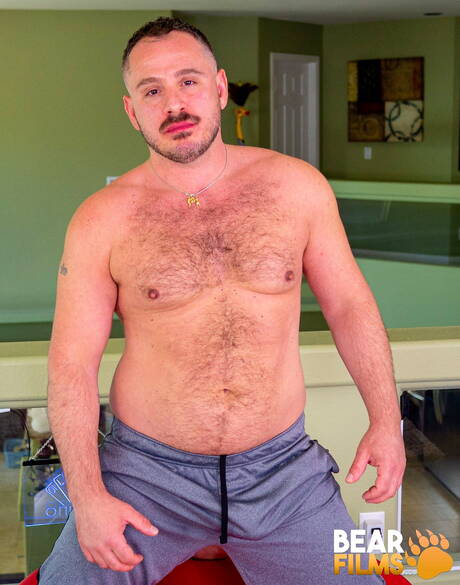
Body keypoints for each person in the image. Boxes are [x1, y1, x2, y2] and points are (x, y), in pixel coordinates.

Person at [39, 16, 405, 585]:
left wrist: (387, 422)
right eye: (152, 91)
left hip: (286, 473)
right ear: (132, 111)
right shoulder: (100, 219)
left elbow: (350, 306)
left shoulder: (298, 186)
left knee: (367, 576)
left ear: (219, 87)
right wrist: (87, 497)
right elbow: (71, 363)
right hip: (145, 474)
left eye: (188, 81)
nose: (174, 104)